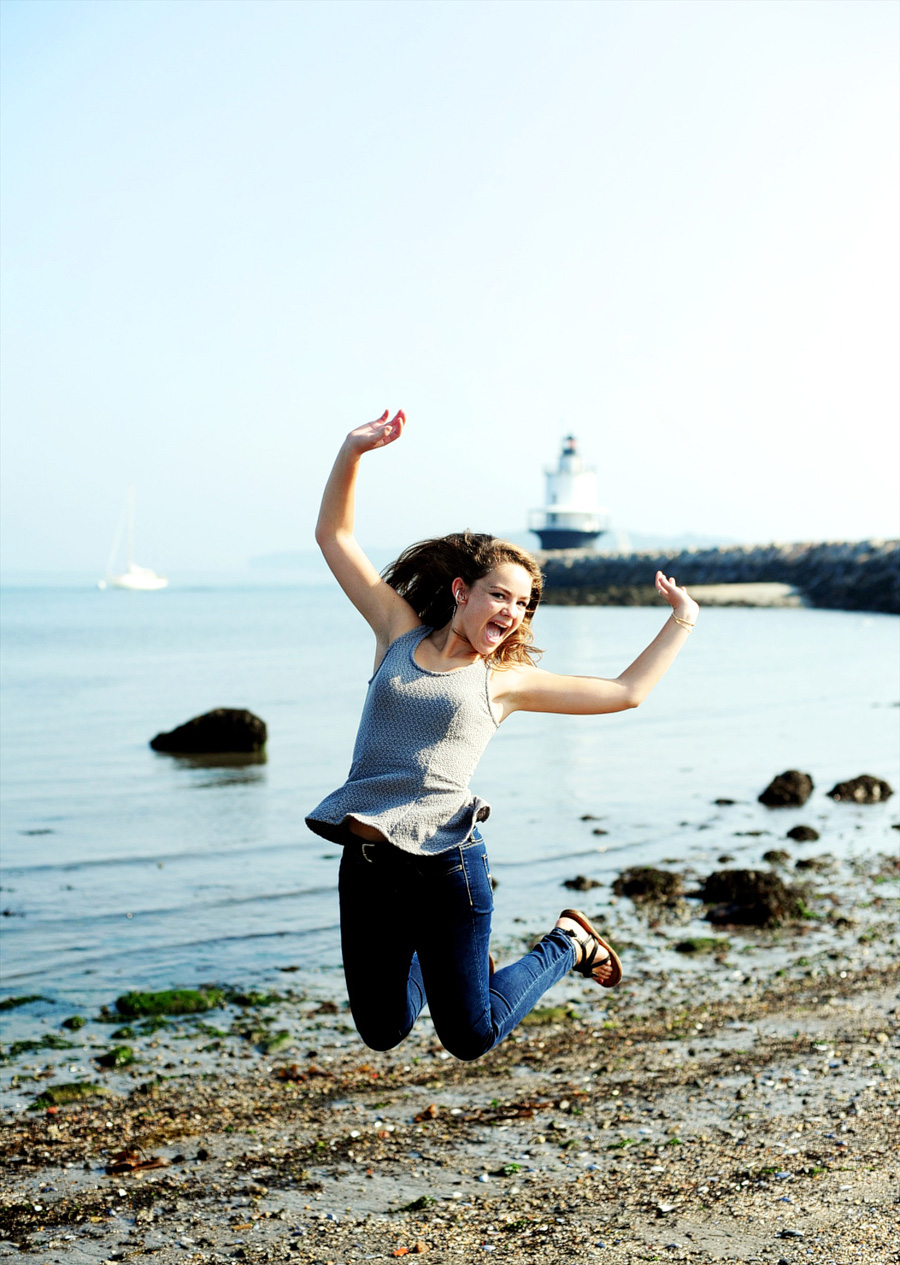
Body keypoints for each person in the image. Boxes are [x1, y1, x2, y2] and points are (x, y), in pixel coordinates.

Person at [306, 409, 699, 1062]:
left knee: (471, 1035)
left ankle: (567, 943)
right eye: (501, 595)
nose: (513, 612)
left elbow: (626, 692)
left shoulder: (505, 680)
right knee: (384, 1028)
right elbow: (333, 534)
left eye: (525, 604)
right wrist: (352, 450)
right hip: (370, 867)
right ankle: (444, 952)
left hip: (445, 866)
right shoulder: (397, 632)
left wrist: (682, 619)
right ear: (462, 591)